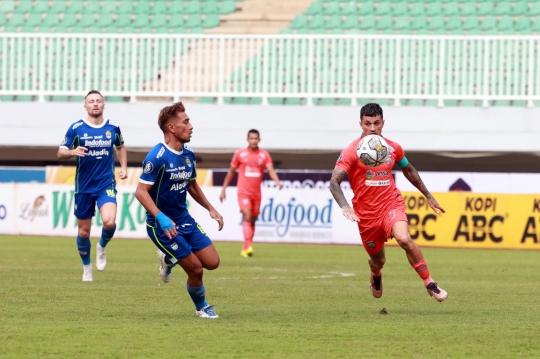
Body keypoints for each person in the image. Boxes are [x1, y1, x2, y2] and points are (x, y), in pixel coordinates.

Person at [329, 103, 448, 302]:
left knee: (404, 238)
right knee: (378, 259)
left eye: (377, 123)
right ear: (361, 124)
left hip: (390, 204)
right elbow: (334, 181)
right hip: (366, 214)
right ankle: (376, 273)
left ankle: (430, 283)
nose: (373, 128)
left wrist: (428, 195)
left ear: (383, 122)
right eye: (368, 123)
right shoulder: (352, 151)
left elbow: (408, 169)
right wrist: (345, 205)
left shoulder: (393, 148)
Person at [135, 102, 224, 319]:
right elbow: (140, 191)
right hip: (161, 226)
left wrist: (211, 209)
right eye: (186, 122)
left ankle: (167, 259)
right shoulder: (157, 157)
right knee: (195, 269)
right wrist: (160, 217)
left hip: (183, 219)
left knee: (212, 262)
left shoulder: (188, 155)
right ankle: (201, 306)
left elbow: (191, 184)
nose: (191, 126)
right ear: (172, 128)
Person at [57, 90, 127, 282]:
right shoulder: (76, 128)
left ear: (103, 105)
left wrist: (123, 167)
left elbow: (120, 146)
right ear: (85, 106)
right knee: (83, 232)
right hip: (84, 186)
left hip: (106, 183)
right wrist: (72, 152)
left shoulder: (113, 127)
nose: (95, 104)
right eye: (91, 101)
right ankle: (87, 267)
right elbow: (60, 152)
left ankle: (102, 246)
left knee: (109, 221)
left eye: (98, 101)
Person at [219, 129, 282, 257]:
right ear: (248, 139)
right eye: (251, 138)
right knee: (247, 215)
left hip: (256, 193)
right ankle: (249, 246)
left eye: (255, 138)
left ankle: (246, 247)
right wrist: (224, 189)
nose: (253, 140)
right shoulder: (239, 154)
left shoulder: (264, 155)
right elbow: (231, 171)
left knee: (253, 219)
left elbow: (270, 170)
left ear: (259, 140)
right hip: (243, 192)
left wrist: (277, 181)